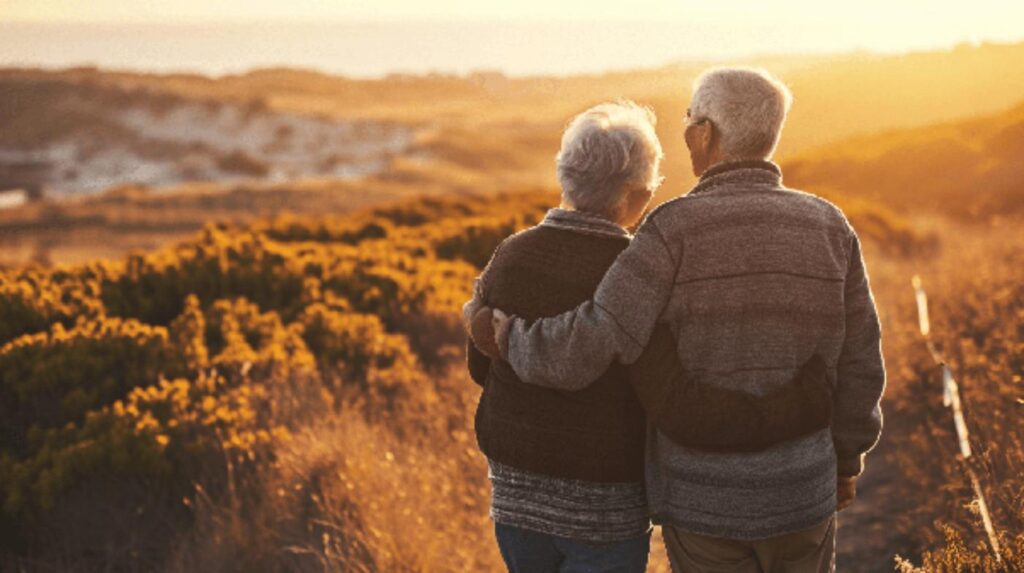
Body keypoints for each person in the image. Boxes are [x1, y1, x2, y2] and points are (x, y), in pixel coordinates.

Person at [474, 68, 886, 573]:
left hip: (701, 504)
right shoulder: (830, 226)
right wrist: (847, 460)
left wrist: (504, 335)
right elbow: (862, 360)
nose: (687, 129)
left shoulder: (669, 231)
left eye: (690, 118)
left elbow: (593, 340)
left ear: (704, 134)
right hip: (801, 493)